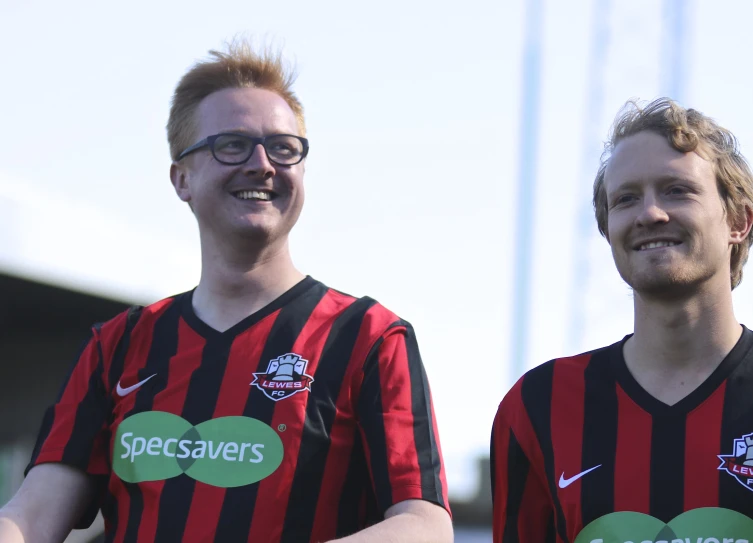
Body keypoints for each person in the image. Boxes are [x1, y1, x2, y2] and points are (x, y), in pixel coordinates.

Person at [0, 40, 452, 543]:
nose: (262, 164)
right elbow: (33, 517)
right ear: (182, 178)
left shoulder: (369, 337)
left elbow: (424, 526)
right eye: (232, 145)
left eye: (283, 148)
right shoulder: (119, 345)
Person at [491, 98, 753, 542]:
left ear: (739, 221)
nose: (650, 213)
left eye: (677, 190)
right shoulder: (538, 405)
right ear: (608, 228)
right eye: (627, 199)